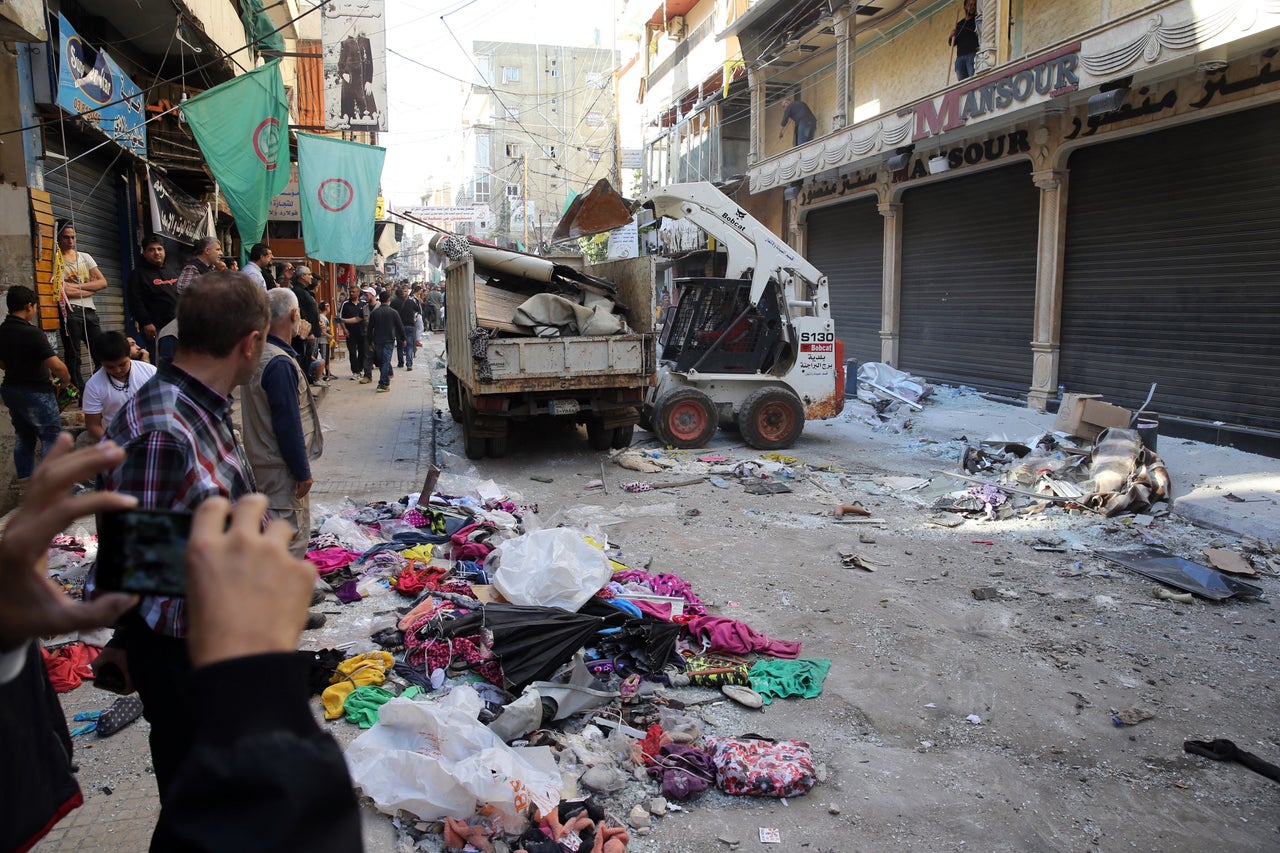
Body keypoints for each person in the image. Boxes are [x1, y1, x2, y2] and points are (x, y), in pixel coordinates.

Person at [0, 437, 360, 852]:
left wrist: (10, 645)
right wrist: (263, 675)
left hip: (193, 674)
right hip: (180, 665)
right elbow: (300, 823)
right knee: (195, 776)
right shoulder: (162, 428)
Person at [95, 271, 268, 809]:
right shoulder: (164, 426)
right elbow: (143, 563)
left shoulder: (199, 405)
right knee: (200, 816)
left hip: (210, 648)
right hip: (187, 660)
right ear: (250, 343)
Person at [241, 288, 323, 561]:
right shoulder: (278, 363)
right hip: (280, 469)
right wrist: (302, 471)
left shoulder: (262, 354)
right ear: (295, 314)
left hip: (264, 463)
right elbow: (287, 423)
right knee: (287, 540)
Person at [0, 286, 71, 490]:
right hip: (36, 391)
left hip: (11, 390)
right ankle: (50, 487)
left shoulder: (1, 331)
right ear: (28, 306)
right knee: (51, 436)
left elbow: (2, 363)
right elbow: (57, 366)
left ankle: (26, 487)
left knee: (24, 437)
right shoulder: (32, 333)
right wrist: (64, 382)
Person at [55, 220, 108, 390]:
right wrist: (88, 289)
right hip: (70, 311)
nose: (70, 241)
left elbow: (102, 282)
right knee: (74, 354)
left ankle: (102, 386)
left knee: (100, 350)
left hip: (90, 310)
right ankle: (80, 391)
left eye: (73, 237)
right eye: (66, 237)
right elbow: (61, 290)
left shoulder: (85, 257)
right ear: (58, 237)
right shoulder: (55, 260)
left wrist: (76, 287)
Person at [82, 331, 157, 442]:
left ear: (129, 355)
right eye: (110, 367)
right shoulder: (94, 385)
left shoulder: (150, 372)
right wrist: (113, 444)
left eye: (122, 364)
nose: (117, 370)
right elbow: (93, 426)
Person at [126, 234, 179, 359]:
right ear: (144, 253)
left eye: (159, 249)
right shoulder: (138, 274)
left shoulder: (170, 270)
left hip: (177, 326)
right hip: (157, 328)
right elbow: (135, 301)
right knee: (161, 360)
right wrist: (146, 322)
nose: (156, 253)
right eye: (151, 249)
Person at [367, 289, 405, 393]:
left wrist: (370, 342)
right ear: (388, 300)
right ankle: (382, 383)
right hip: (389, 340)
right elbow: (400, 327)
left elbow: (370, 329)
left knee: (382, 361)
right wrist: (403, 339)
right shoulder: (393, 312)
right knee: (385, 362)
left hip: (377, 340)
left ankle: (385, 382)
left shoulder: (375, 313)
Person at [291, 265, 322, 377]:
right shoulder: (298, 291)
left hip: (311, 330)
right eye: (309, 274)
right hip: (304, 332)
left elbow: (311, 311)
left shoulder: (305, 291)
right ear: (302, 276)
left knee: (307, 357)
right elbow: (302, 313)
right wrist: (309, 332)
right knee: (302, 358)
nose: (311, 277)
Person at [339, 284, 366, 380]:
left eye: (353, 292)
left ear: (358, 293)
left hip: (362, 332)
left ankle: (360, 369)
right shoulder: (345, 304)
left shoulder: (363, 303)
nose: (351, 293)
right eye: (350, 291)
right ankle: (355, 371)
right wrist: (344, 329)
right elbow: (341, 318)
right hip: (350, 333)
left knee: (362, 352)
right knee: (352, 352)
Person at [949, 0, 979, 81]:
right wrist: (951, 35)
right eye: (970, 4)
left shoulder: (977, 20)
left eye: (974, 5)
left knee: (973, 81)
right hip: (960, 58)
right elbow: (951, 43)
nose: (972, 7)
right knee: (962, 84)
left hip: (972, 55)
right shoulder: (959, 24)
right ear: (965, 6)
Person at [395, 284, 421, 370]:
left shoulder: (394, 302)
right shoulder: (410, 302)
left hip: (399, 326)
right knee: (409, 345)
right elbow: (418, 309)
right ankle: (409, 364)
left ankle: (400, 362)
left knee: (400, 345)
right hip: (410, 325)